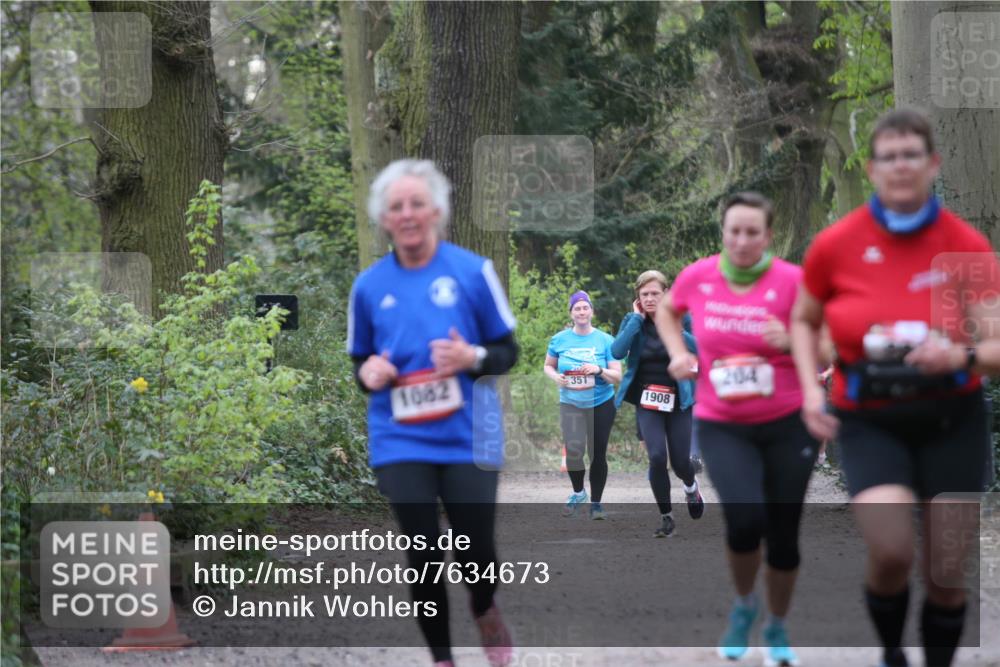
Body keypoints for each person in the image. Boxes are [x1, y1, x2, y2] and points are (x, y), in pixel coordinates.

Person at [791, 108, 998, 667]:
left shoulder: (967, 246)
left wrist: (960, 353)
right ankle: (890, 653)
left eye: (912, 155)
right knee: (890, 552)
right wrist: (812, 395)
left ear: (933, 164)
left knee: (947, 572)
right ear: (874, 166)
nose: (900, 166)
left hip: (952, 418)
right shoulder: (837, 244)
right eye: (889, 156)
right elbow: (805, 322)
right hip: (870, 419)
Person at [347, 159, 519, 667]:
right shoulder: (369, 286)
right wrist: (369, 372)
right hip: (400, 436)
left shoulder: (471, 272)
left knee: (477, 552)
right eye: (395, 206)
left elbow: (508, 352)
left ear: (437, 211)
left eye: (416, 203)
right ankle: (442, 658)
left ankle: (485, 607)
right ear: (383, 218)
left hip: (470, 433)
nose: (406, 214)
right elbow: (360, 360)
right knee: (422, 553)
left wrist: (472, 358)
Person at [656, 192, 818, 666]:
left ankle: (778, 626)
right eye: (734, 231)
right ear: (723, 233)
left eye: (753, 232)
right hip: (723, 422)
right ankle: (745, 605)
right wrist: (677, 354)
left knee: (784, 535)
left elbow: (825, 344)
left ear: (768, 236)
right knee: (746, 522)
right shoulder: (698, 276)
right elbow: (668, 310)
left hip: (788, 422)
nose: (743, 240)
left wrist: (791, 339)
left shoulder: (793, 281)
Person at [611, 270, 704, 537]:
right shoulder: (633, 321)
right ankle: (666, 517)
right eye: (645, 295)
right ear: (638, 298)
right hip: (647, 400)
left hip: (679, 401)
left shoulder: (682, 317)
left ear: (666, 294)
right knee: (656, 457)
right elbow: (616, 352)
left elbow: (701, 349)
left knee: (680, 463)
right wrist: (636, 321)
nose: (650, 298)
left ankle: (691, 487)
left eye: (655, 293)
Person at [544, 291, 623, 519]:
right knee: (574, 451)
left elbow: (617, 376)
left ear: (592, 312)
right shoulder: (559, 339)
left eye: (585, 307)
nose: (581, 311)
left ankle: (596, 504)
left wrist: (598, 370)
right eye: (577, 308)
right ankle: (579, 493)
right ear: (571, 313)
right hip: (570, 402)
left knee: (597, 453)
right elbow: (548, 366)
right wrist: (555, 377)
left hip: (601, 402)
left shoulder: (605, 340)